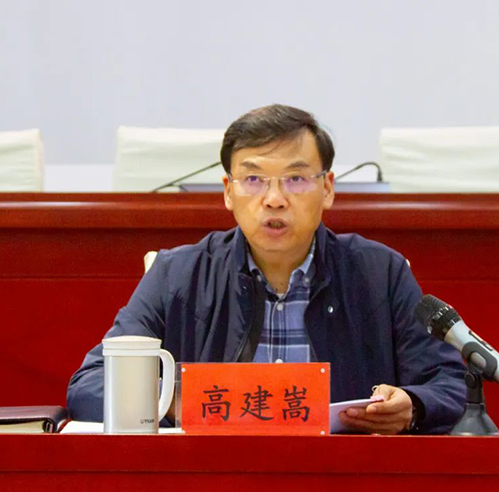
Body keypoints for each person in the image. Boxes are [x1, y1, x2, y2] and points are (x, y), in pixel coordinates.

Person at [67, 104, 466, 434]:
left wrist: (413, 405)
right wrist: (170, 398)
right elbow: (90, 385)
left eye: (296, 178)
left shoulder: (380, 273)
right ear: (228, 191)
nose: (274, 199)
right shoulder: (178, 274)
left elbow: (447, 384)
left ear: (327, 188)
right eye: (254, 178)